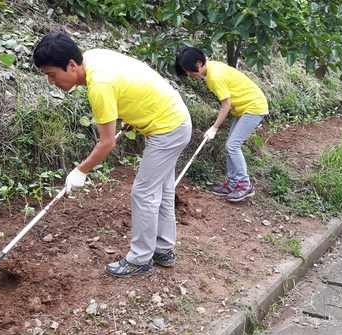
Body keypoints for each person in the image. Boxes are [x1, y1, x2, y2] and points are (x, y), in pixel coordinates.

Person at [33, 32, 192, 278]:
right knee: (162, 189)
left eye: (52, 74)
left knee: (144, 192)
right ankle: (163, 250)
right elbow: (131, 84)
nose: (50, 82)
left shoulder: (99, 86)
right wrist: (132, 115)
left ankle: (140, 260)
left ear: (72, 65)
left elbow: (107, 143)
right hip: (174, 117)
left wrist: (81, 170)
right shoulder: (93, 58)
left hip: (168, 128)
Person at [175, 47, 269, 202]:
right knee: (230, 146)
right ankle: (233, 184)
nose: (189, 74)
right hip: (244, 108)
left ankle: (245, 185)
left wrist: (214, 128)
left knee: (233, 145)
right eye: (185, 72)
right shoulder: (211, 69)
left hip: (253, 107)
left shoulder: (215, 77)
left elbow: (226, 105)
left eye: (189, 70)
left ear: (199, 63)